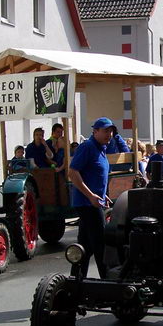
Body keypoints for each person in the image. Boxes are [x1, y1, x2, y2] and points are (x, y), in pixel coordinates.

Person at [68, 117, 115, 278]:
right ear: (95, 131)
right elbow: (72, 173)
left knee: (85, 245)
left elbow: (95, 175)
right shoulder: (87, 147)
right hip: (87, 204)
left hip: (94, 202)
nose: (109, 134)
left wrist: (103, 196)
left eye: (111, 130)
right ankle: (108, 281)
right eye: (105, 131)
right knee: (101, 243)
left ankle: (76, 281)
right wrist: (90, 196)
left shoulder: (102, 148)